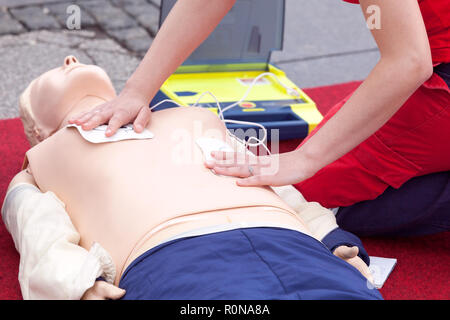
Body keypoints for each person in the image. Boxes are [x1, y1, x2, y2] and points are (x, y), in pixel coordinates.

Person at [1, 57, 380, 300]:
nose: (70, 58)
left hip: (287, 239)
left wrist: (329, 239)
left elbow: (270, 180)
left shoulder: (190, 115)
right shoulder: (39, 165)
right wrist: (77, 286)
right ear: (36, 129)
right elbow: (40, 234)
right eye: (51, 71)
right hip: (176, 258)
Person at [69, 0, 449, 217]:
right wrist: (137, 90)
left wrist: (304, 160)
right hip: (430, 56)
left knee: (303, 197)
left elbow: (408, 62)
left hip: (433, 69)